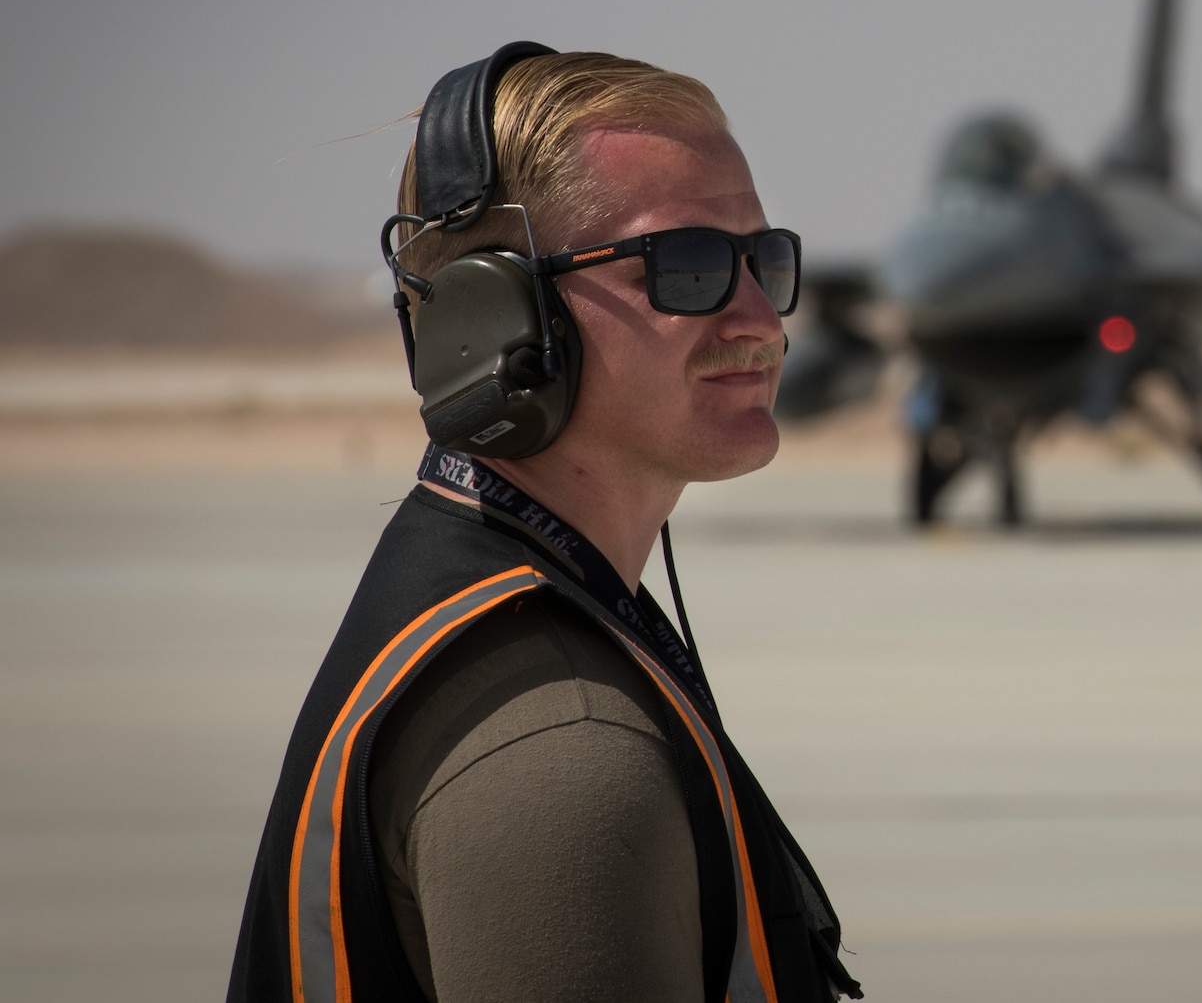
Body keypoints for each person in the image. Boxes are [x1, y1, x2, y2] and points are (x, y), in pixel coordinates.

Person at [228, 49, 860, 1003]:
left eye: (763, 260)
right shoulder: (562, 748)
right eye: (685, 266)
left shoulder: (479, 584)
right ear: (501, 314)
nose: (762, 319)